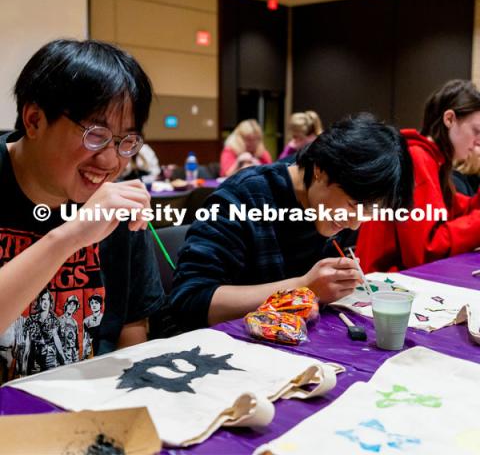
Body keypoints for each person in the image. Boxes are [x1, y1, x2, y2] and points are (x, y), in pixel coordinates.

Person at [0, 39, 165, 382]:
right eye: (95, 135)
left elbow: (132, 324)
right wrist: (69, 236)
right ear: (34, 120)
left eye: (126, 142)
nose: (109, 161)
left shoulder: (117, 205)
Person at [170, 115, 414, 329]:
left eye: (368, 212)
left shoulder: (335, 204)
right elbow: (189, 301)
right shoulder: (243, 199)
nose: (354, 225)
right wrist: (304, 286)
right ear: (321, 169)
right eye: (353, 205)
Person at [356, 80, 480, 273]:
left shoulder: (432, 158)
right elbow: (425, 250)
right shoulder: (417, 157)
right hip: (381, 287)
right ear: (449, 119)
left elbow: (458, 209)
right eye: (476, 131)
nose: (478, 142)